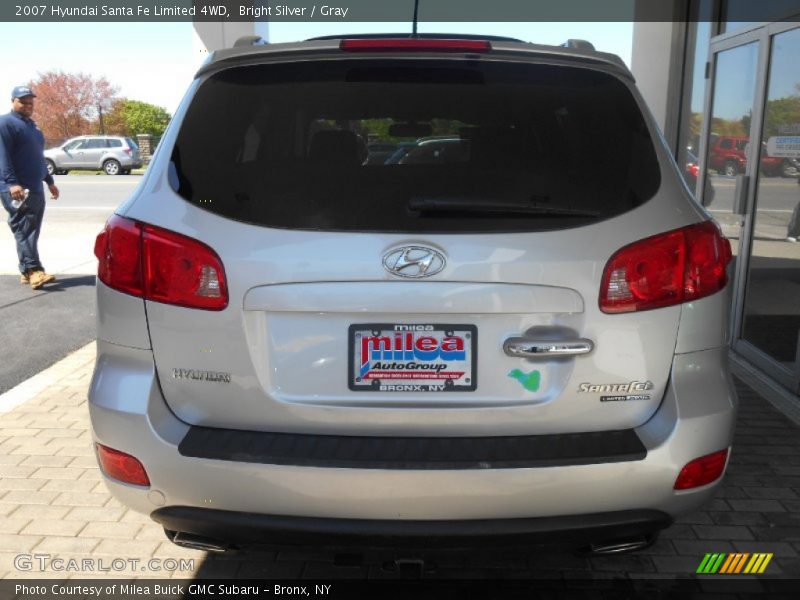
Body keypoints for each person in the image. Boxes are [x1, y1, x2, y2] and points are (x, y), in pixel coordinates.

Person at [0, 85, 59, 289]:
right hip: (17, 189)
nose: (27, 105)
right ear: (13, 101)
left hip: (35, 187)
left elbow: (37, 157)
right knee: (24, 229)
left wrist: (49, 181)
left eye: (30, 102)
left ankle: (26, 270)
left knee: (30, 229)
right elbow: (3, 157)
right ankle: (34, 270)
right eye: (22, 101)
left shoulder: (32, 126)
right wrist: (11, 183)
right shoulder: (5, 124)